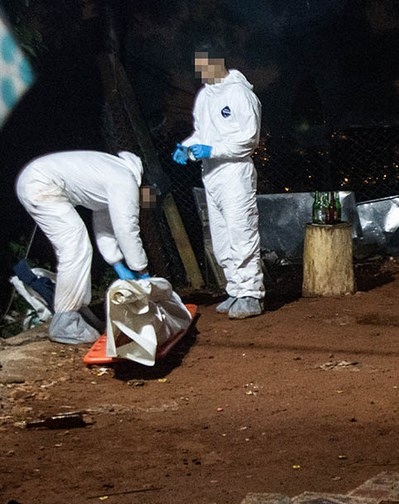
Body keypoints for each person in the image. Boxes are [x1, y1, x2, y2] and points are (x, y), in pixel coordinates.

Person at [15, 150, 151, 345]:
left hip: (36, 180)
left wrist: (117, 263)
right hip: (40, 183)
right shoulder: (125, 181)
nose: (145, 201)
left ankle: (76, 311)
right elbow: (126, 229)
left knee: (76, 243)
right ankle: (65, 322)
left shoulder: (113, 174)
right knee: (74, 243)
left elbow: (104, 225)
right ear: (144, 184)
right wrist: (142, 270)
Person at [173, 47, 264, 319]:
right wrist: (187, 147)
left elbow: (249, 139)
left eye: (203, 65)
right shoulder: (205, 96)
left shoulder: (240, 93)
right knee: (222, 236)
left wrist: (214, 150)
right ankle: (235, 289)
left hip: (235, 172)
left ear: (217, 62)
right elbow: (202, 134)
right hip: (211, 173)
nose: (199, 72)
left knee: (241, 231)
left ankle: (251, 294)